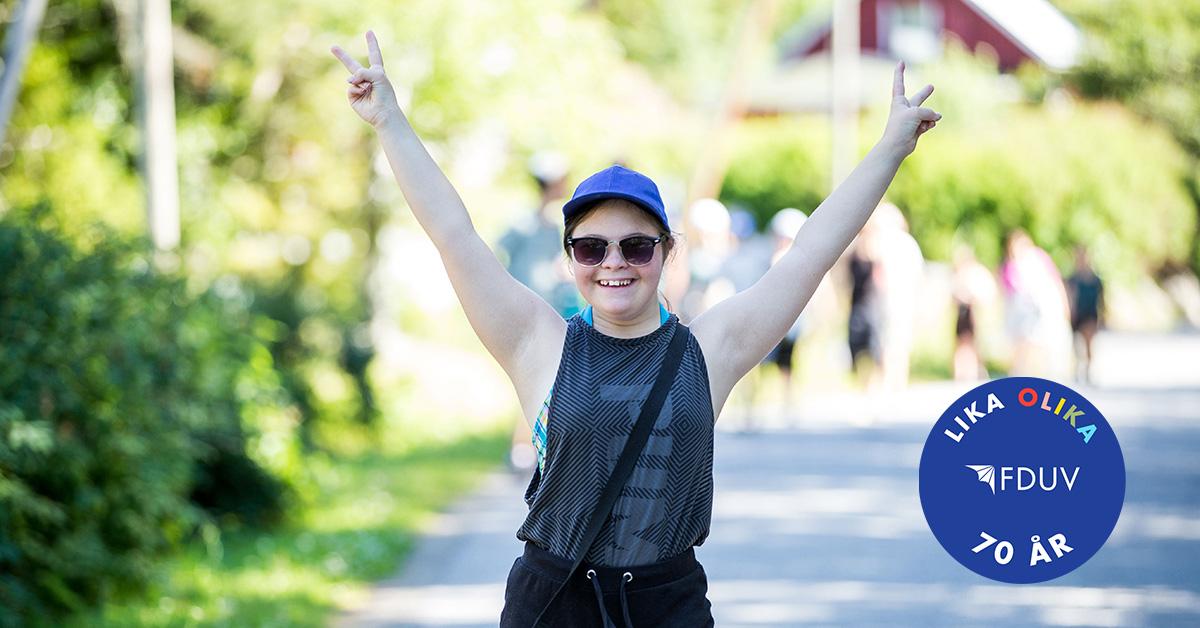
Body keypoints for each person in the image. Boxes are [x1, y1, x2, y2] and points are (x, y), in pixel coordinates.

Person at [332, 31, 941, 627]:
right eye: (592, 247)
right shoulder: (538, 342)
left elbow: (812, 251)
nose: (614, 262)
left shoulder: (710, 350)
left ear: (667, 251)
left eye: (636, 245)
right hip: (555, 602)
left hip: (666, 603)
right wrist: (388, 120)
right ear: (570, 256)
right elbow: (453, 233)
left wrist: (890, 146)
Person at [498, 151, 580, 475]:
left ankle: (537, 449)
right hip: (532, 310)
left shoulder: (556, 221)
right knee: (535, 376)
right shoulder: (529, 222)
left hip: (557, 308)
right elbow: (503, 257)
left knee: (552, 379)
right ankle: (524, 447)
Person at [1066, 245, 1104, 384]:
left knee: (1089, 344)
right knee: (1076, 346)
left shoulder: (1095, 279)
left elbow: (1101, 300)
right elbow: (1069, 297)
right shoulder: (1072, 279)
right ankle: (1077, 369)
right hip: (1077, 315)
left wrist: (1102, 317)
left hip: (1090, 314)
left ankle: (1088, 371)